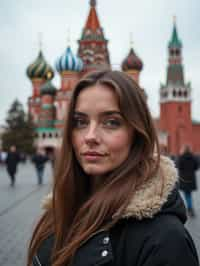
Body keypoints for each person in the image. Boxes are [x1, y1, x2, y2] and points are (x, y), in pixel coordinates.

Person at [27, 70, 199, 266]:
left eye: (111, 122)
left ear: (137, 133)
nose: (90, 136)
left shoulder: (165, 240)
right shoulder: (58, 213)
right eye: (80, 122)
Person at [177, 145, 199, 217]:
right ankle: (190, 208)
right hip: (191, 178)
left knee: (187, 195)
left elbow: (178, 166)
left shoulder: (181, 157)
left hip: (184, 179)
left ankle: (189, 208)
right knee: (189, 194)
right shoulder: (193, 157)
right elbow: (196, 166)